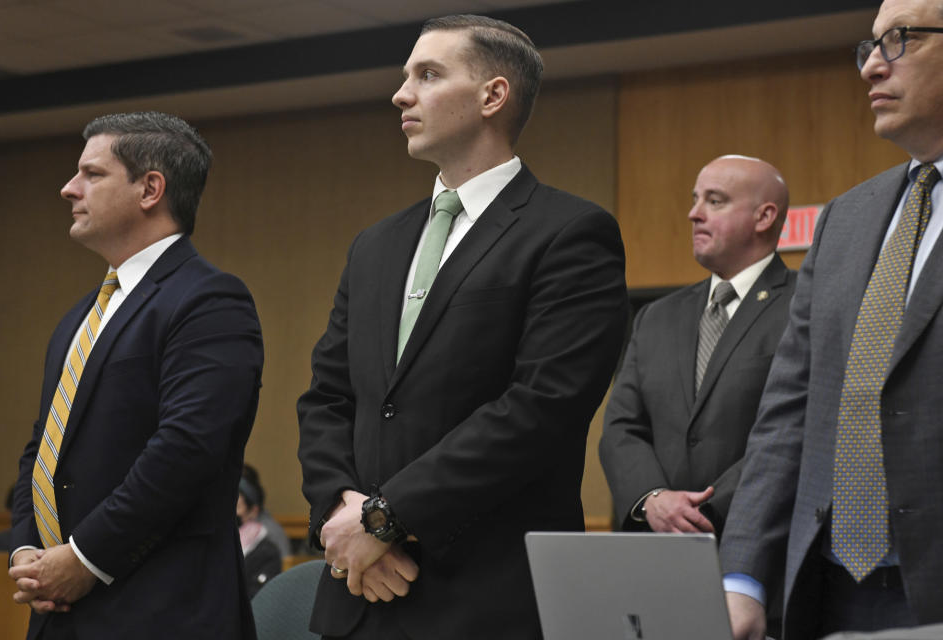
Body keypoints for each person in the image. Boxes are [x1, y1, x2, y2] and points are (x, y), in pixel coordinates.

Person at [297, 14, 627, 640]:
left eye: (427, 75)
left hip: (486, 593)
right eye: (405, 76)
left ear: (492, 96)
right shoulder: (375, 245)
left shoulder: (569, 233)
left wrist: (387, 518)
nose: (401, 93)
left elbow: (541, 406)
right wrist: (341, 508)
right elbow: (328, 396)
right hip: (360, 594)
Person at [721, 0, 943, 637]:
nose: (872, 66)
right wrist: (743, 574)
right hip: (822, 588)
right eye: (869, 46)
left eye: (899, 40)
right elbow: (789, 410)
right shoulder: (845, 218)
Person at [7, 112, 264, 640]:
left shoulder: (209, 299)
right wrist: (28, 550)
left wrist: (84, 557)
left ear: (150, 189)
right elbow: (44, 445)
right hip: (59, 612)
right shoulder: (80, 315)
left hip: (162, 611)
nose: (68, 188)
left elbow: (187, 448)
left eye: (91, 174)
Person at [599, 155, 794, 538]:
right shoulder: (656, 317)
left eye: (714, 201)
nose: (693, 213)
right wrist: (653, 499)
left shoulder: (807, 305)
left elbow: (796, 428)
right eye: (695, 198)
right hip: (656, 546)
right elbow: (622, 427)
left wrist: (701, 511)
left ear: (764, 217)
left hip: (759, 545)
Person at [238, 466, 283, 599]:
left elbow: (262, 597)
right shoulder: (218, 542)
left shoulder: (267, 550)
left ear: (253, 511)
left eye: (237, 507)